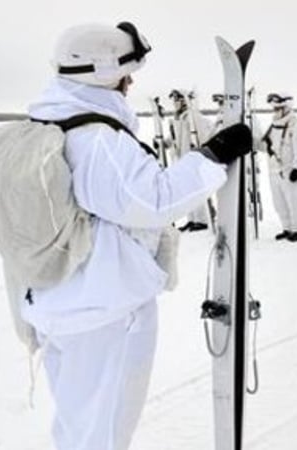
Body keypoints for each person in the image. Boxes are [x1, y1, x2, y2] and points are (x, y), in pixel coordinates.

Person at [22, 22, 251, 449]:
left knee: (78, 425)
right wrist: (212, 155)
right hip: (103, 309)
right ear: (104, 72)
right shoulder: (97, 140)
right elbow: (152, 201)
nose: (131, 82)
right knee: (103, 432)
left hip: (59, 300)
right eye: (127, 72)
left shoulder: (49, 120)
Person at [261, 92, 297, 242]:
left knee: (295, 200)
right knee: (279, 202)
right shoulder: (273, 126)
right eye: (274, 108)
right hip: (274, 170)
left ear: (287, 107)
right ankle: (287, 228)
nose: (276, 111)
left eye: (279, 108)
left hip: (290, 171)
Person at [167, 88, 215, 232]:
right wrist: (163, 143)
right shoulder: (177, 118)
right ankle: (192, 219)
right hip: (181, 160)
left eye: (177, 99)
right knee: (186, 192)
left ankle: (201, 220)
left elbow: (203, 136)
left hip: (193, 159)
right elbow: (174, 138)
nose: (174, 103)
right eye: (173, 100)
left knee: (196, 190)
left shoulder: (194, 117)